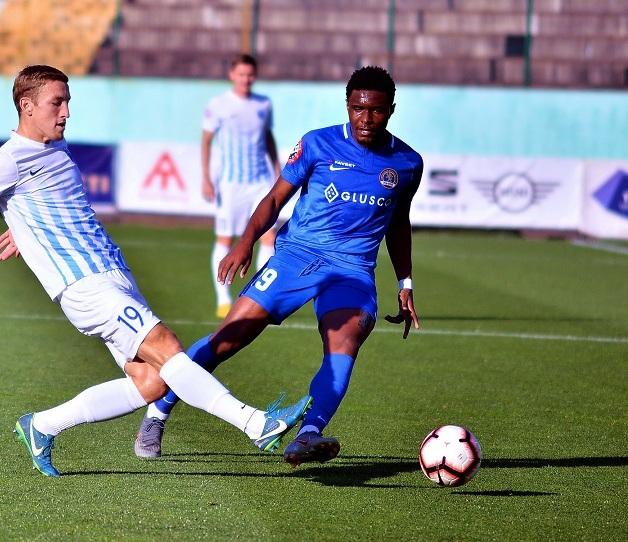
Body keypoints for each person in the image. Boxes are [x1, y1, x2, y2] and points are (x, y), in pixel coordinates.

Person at [0, 65, 311, 478]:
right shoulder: (5, 159)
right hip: (85, 286)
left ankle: (42, 425)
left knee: (151, 382)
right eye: (56, 103)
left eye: (67, 102)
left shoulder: (55, 148)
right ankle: (255, 424)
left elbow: (51, 204)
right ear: (27, 106)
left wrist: (25, 230)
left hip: (112, 272)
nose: (66, 112)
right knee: (167, 346)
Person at [132, 65, 423, 464]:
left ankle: (309, 434)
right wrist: (246, 242)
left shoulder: (407, 163)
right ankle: (158, 411)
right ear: (347, 105)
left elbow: (399, 223)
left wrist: (405, 283)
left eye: (376, 110)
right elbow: (274, 198)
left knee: (344, 346)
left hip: (353, 271)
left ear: (390, 109)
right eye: (358, 108)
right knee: (228, 338)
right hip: (296, 256)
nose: (366, 119)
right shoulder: (318, 144)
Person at [201, 54, 281, 319]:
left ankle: (259, 297)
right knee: (226, 239)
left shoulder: (263, 104)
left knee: (269, 236)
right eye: (241, 74)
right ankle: (223, 299)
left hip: (260, 182)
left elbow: (267, 137)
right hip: (231, 184)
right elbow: (206, 140)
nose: (246, 79)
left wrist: (277, 169)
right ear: (232, 75)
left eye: (250, 74)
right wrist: (206, 177)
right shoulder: (218, 105)